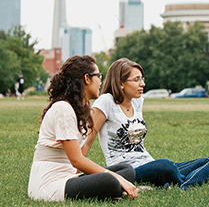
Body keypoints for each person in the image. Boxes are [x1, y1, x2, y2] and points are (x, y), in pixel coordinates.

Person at [83, 58, 209, 190]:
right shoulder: (106, 102)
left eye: (142, 79)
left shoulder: (137, 101)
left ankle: (179, 184)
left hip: (149, 164)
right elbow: (88, 139)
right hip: (127, 171)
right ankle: (193, 180)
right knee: (166, 166)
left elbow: (140, 141)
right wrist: (75, 170)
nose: (142, 84)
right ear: (121, 83)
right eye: (136, 80)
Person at [28, 55, 138, 202]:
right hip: (50, 183)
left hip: (70, 176)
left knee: (126, 170)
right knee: (110, 180)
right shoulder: (63, 109)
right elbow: (76, 160)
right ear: (87, 78)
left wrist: (117, 176)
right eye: (98, 76)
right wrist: (114, 178)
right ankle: (116, 188)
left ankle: (116, 188)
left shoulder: (78, 109)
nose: (101, 81)